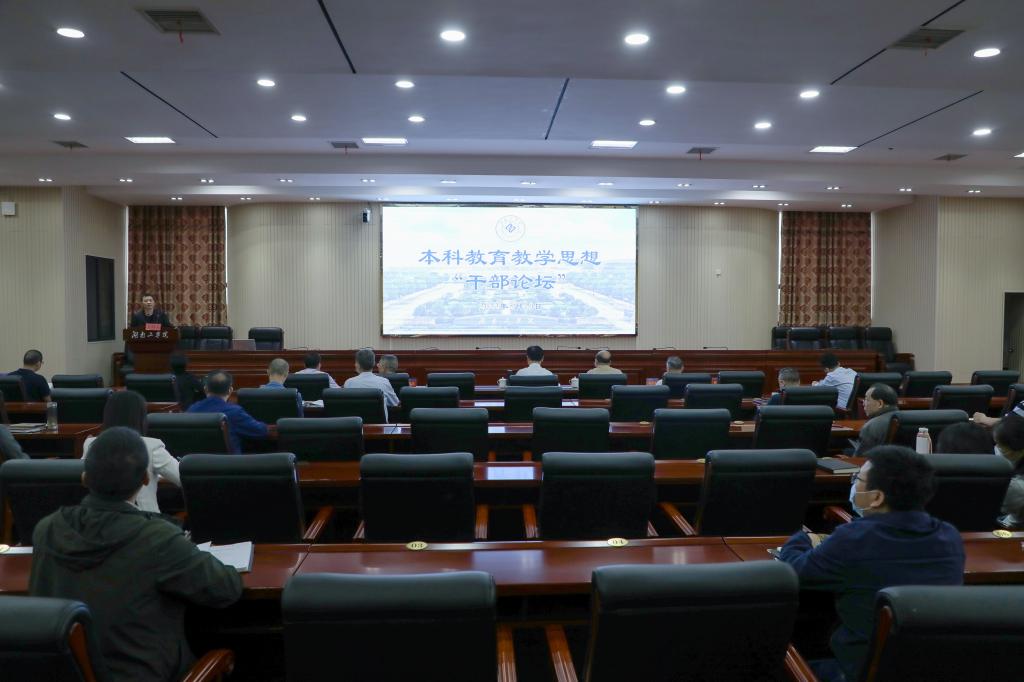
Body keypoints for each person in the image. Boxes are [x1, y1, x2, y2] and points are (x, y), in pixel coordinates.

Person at [30, 427, 242, 682]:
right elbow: (225, 588)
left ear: (84, 478)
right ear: (145, 479)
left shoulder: (47, 529)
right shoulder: (157, 538)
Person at [779, 446, 964, 682]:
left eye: (858, 479)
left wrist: (802, 538)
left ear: (877, 497)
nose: (854, 485)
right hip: (927, 669)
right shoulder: (949, 537)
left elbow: (795, 571)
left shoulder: (854, 540)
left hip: (857, 672)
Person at [82, 390, 180, 515]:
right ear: (141, 417)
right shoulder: (152, 446)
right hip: (145, 520)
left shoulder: (91, 444)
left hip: (98, 520)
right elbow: (183, 477)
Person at [187, 371, 268, 453]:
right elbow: (261, 431)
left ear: (205, 389)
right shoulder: (235, 412)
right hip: (229, 461)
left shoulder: (192, 410)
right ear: (230, 390)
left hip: (198, 460)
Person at [343, 348, 399, 421]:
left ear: (358, 365)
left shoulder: (348, 383)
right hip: (380, 426)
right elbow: (395, 404)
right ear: (373, 364)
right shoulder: (384, 382)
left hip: (356, 425)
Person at [852, 384, 900, 455]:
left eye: (867, 399)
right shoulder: (908, 420)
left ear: (880, 403)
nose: (863, 403)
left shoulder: (871, 426)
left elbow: (861, 457)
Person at [994, 413, 1024, 527]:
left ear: (1020, 450)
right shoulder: (1016, 457)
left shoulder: (1017, 487)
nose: (997, 449)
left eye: (1001, 448)